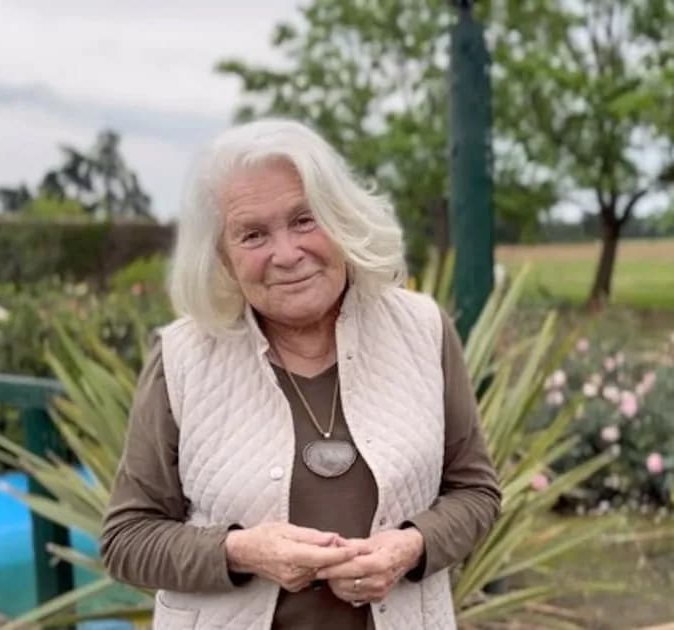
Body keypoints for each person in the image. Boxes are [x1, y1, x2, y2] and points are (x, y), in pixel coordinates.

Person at [99, 119, 501, 630]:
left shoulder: (422, 330)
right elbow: (126, 539)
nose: (286, 254)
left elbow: (477, 493)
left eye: (305, 219)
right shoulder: (182, 357)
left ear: (343, 219)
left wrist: (412, 547)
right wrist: (241, 552)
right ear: (222, 257)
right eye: (253, 235)